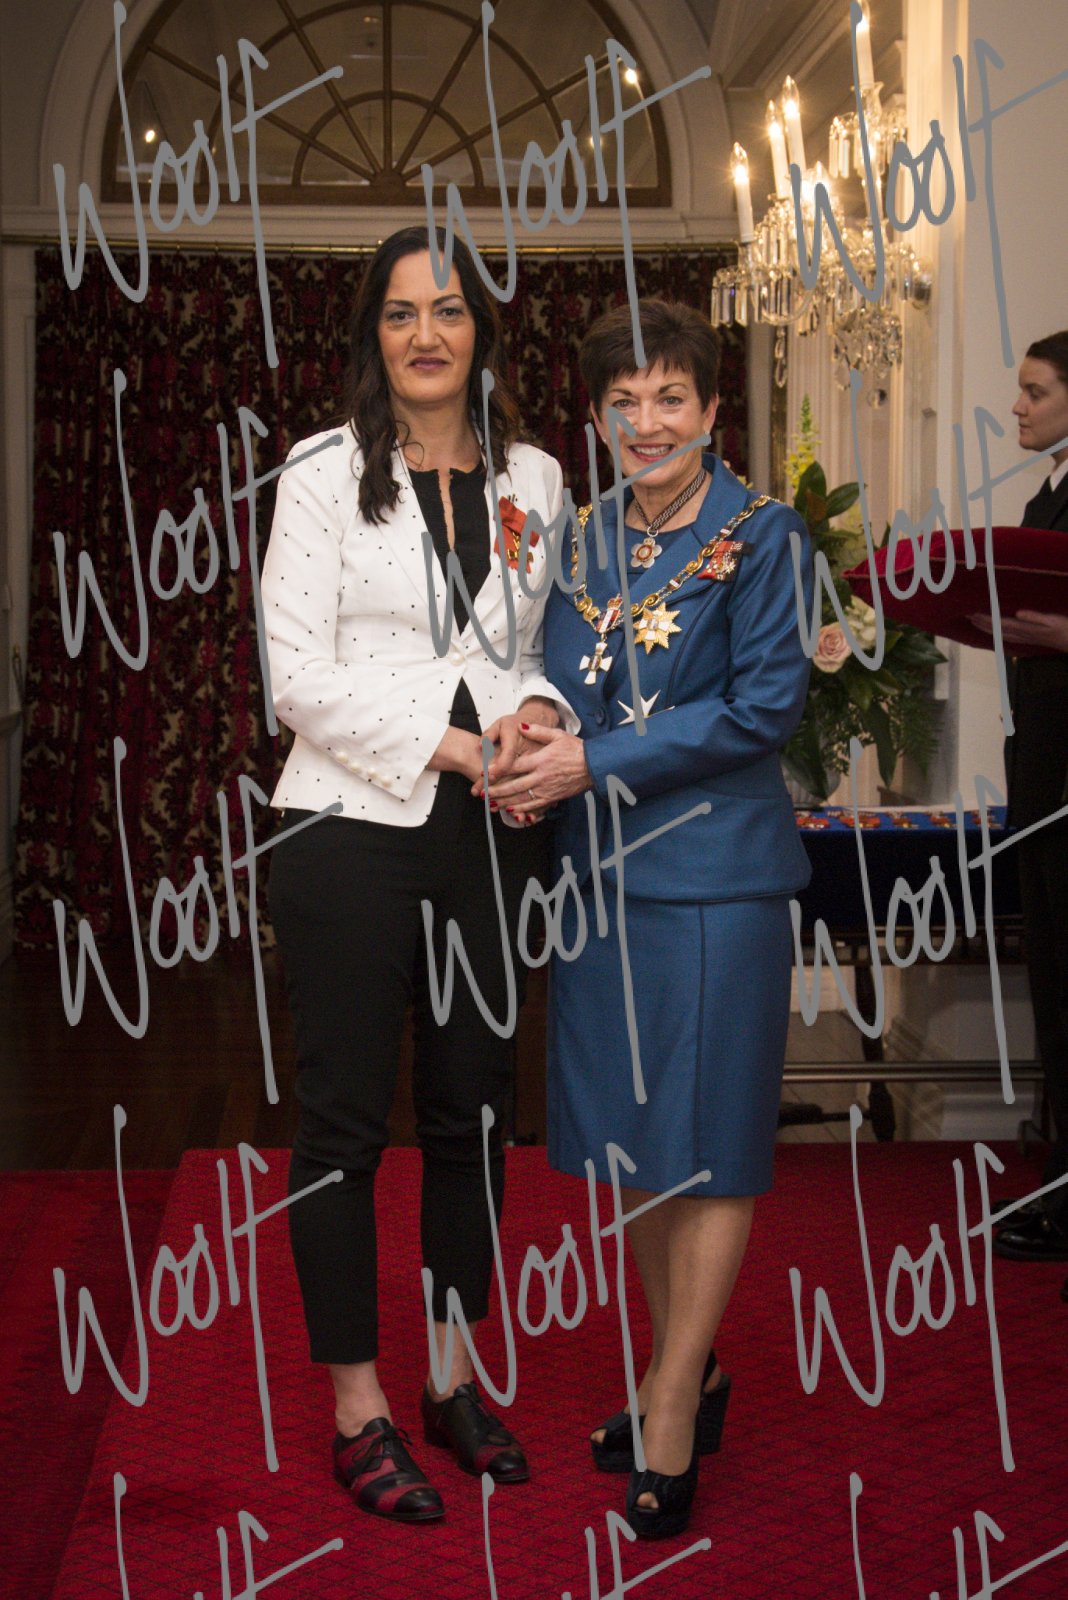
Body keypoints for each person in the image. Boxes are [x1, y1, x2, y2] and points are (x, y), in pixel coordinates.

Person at [485, 299, 814, 1536]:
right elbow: (559, 679)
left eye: (671, 396)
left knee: (710, 1140)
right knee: (634, 1142)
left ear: (713, 409)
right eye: (622, 401)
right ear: (596, 415)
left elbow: (762, 708)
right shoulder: (579, 540)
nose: (647, 421)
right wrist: (540, 728)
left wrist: (594, 758)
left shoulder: (764, 536)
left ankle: (671, 1397)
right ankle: (696, 1364)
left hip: (719, 880)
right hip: (602, 880)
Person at [262, 225, 570, 1522]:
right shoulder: (322, 472)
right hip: (346, 828)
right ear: (372, 336)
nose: (426, 334)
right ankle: (358, 1407)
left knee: (473, 1115)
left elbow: (540, 647)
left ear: (480, 329)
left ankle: (451, 1377)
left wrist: (542, 716)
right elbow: (296, 677)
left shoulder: (538, 476)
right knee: (342, 1126)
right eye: (400, 314)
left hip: (491, 833)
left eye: (447, 310)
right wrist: (449, 744)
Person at [971, 331, 1068, 1293]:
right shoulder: (1049, 494)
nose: (1019, 407)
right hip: (1043, 775)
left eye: (1036, 391)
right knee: (1055, 990)